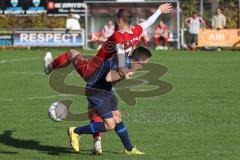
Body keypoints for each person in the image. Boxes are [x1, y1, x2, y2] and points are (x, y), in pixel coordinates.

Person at [44, 3, 172, 154]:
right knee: (104, 115)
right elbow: (147, 24)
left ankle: (124, 147)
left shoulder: (118, 35)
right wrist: (158, 11)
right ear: (130, 20)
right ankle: (87, 136)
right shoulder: (135, 32)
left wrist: (124, 68)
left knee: (72, 54)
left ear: (119, 21)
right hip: (97, 75)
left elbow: (119, 52)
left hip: (94, 71)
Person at [68, 47, 152, 155]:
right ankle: (75, 131)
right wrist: (124, 73)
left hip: (106, 91)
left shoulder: (126, 62)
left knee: (117, 118)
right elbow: (108, 77)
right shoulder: (123, 63)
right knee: (110, 126)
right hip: (96, 92)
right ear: (138, 61)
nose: (142, 67)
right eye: (143, 64)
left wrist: (126, 73)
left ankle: (129, 149)